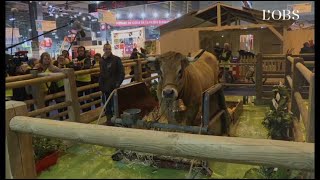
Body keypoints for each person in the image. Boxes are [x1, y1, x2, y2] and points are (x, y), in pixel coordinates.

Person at [99, 42, 125, 126]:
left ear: (111, 49)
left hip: (114, 86)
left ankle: (117, 120)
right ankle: (109, 121)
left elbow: (121, 72)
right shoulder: (101, 60)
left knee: (115, 104)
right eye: (106, 49)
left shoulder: (116, 59)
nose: (108, 50)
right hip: (104, 87)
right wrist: (101, 85)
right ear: (103, 50)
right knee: (106, 105)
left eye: (109, 49)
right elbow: (102, 73)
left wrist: (118, 83)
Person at [34, 52, 62, 117]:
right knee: (43, 105)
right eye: (45, 59)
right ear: (42, 59)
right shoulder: (38, 66)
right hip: (40, 89)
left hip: (50, 88)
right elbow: (32, 74)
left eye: (48, 59)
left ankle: (61, 116)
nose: (47, 60)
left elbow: (61, 72)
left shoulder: (52, 67)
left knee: (58, 103)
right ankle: (45, 117)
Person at [73, 46, 93, 112]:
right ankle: (84, 109)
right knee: (79, 97)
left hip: (86, 80)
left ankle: (89, 110)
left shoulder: (87, 59)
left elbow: (87, 66)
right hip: (78, 80)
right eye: (79, 51)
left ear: (84, 51)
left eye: (82, 51)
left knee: (88, 97)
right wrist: (79, 67)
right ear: (77, 52)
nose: (81, 52)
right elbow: (72, 66)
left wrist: (79, 67)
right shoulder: (75, 59)